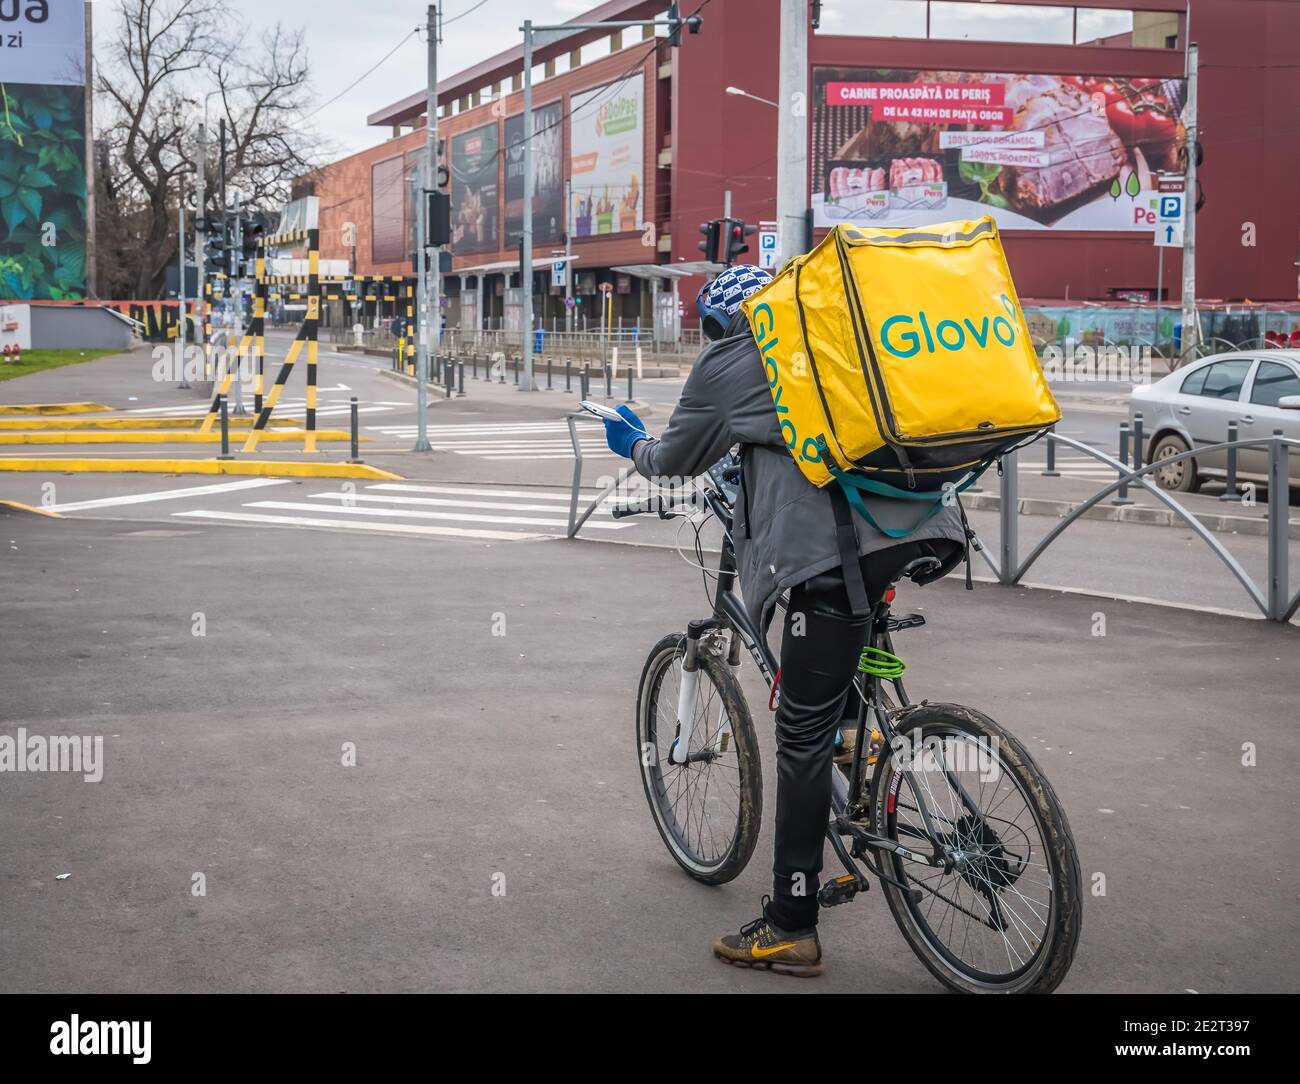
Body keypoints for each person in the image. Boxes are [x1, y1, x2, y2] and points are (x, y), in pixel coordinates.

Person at [601, 265, 969, 977]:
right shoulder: (843, 337)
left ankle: (790, 924)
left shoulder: (733, 356)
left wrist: (630, 444)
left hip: (835, 555)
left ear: (719, 321)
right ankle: (861, 746)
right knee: (840, 673)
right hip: (925, 527)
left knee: (799, 735)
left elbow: (675, 457)